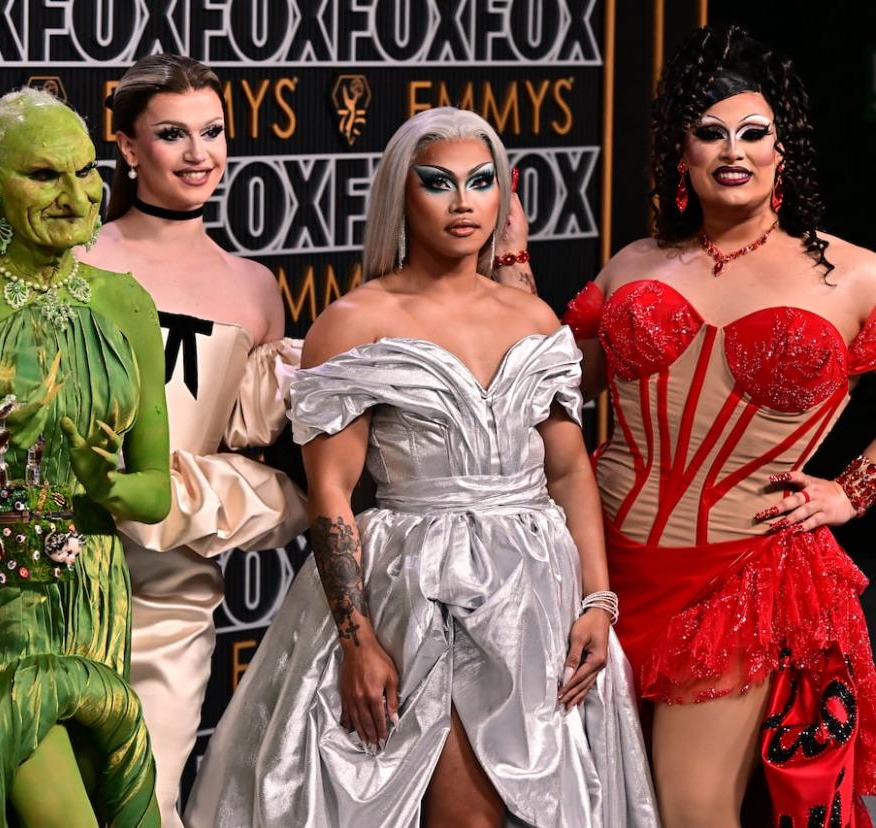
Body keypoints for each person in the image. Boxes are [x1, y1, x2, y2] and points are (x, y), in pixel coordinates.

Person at [185, 107, 656, 828]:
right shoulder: (354, 321)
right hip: (416, 593)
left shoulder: (533, 319)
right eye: (439, 183)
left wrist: (597, 600)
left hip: (537, 592)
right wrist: (358, 638)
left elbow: (566, 473)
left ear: (503, 194)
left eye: (480, 182)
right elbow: (333, 494)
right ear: (401, 195)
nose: (463, 202)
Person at [562, 25, 876, 827]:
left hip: (742, 575)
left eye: (753, 132)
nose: (732, 150)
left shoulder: (855, 273)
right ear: (682, 155)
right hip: (593, 568)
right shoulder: (631, 264)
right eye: (709, 133)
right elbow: (559, 392)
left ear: (783, 151)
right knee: (594, 804)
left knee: (691, 809)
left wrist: (854, 490)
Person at [0, 88, 171, 828]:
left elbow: (156, 494)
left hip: (92, 587)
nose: (75, 195)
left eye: (84, 172)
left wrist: (110, 483)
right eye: (45, 175)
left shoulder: (128, 305)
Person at [79, 54, 307, 827]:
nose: (199, 153)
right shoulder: (78, 260)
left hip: (172, 601)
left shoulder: (255, 286)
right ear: (127, 146)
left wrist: (181, 499)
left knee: (143, 805)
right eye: (172, 134)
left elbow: (263, 458)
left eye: (212, 132)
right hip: (57, 578)